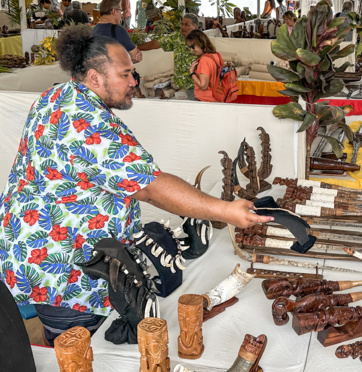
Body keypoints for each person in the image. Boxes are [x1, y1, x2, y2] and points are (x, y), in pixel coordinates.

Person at [0, 24, 271, 346]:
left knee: (66, 340)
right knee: (76, 351)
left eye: (134, 73)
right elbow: (150, 187)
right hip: (64, 265)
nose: (134, 82)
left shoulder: (57, 95)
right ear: (94, 77)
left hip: (31, 248)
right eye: (126, 74)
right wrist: (226, 211)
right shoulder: (89, 122)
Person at [158, 13, 200, 100]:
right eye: (182, 24)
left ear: (195, 27)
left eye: (186, 25)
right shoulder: (177, 37)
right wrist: (136, 48)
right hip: (179, 86)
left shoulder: (201, 41)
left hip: (195, 86)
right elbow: (158, 43)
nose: (182, 27)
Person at [93, 0, 142, 64]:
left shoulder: (94, 30)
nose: (121, 15)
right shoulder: (118, 30)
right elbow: (135, 57)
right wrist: (137, 55)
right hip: (115, 72)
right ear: (114, 11)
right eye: (120, 11)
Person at [186, 29, 221, 102]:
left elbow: (203, 86)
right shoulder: (215, 55)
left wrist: (192, 73)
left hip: (205, 100)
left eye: (193, 47)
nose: (191, 50)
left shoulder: (204, 60)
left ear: (200, 43)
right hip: (216, 98)